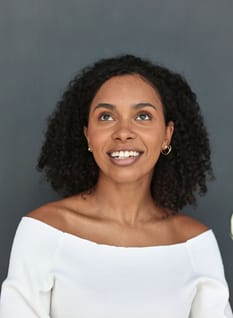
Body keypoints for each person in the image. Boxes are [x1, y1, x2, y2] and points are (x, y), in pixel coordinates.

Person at [0, 54, 232, 318]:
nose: (123, 132)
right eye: (106, 117)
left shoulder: (195, 244)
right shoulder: (44, 233)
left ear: (167, 134)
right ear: (88, 134)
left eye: (143, 116)